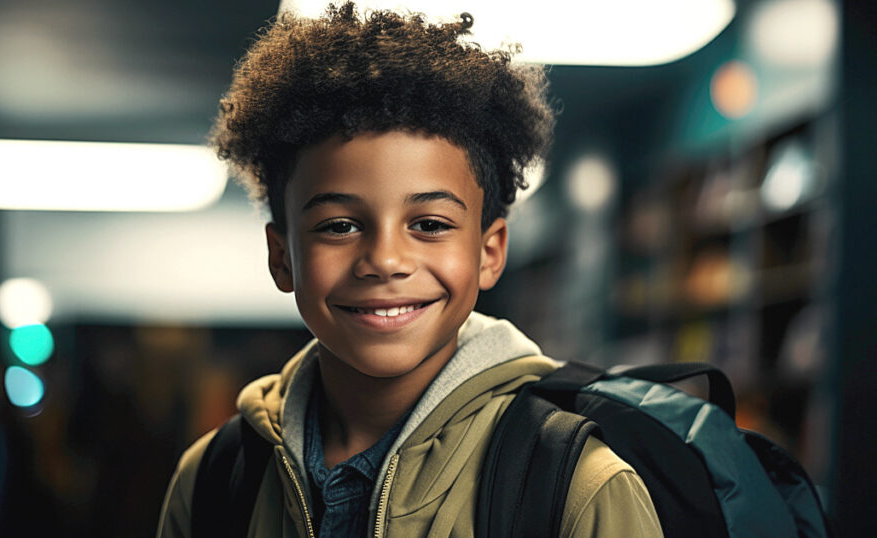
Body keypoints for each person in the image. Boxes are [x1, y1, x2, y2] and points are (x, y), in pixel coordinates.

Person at [158, 3, 663, 537]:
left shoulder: (576, 488)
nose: (385, 260)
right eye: (338, 226)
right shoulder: (214, 479)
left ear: (489, 252)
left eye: (429, 224)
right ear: (282, 257)